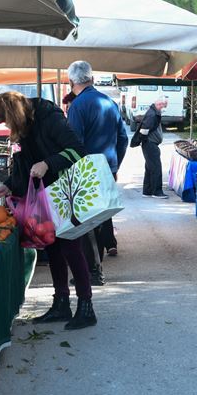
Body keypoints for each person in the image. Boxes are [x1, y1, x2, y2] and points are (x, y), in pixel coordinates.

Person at [0, 92, 96, 330]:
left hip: (66, 191)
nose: (7, 127)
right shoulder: (26, 127)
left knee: (70, 245)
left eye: (7, 122)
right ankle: (61, 303)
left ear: (16, 115)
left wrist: (48, 164)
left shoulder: (50, 117)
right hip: (47, 195)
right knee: (53, 245)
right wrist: (7, 185)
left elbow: (78, 151)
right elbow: (25, 163)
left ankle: (86, 306)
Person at [66, 61, 128, 283]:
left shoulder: (77, 107)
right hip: (107, 169)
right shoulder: (110, 102)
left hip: (87, 171)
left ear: (71, 81)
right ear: (91, 79)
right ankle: (95, 269)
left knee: (86, 223)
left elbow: (74, 145)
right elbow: (123, 138)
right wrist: (115, 166)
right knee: (101, 220)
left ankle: (93, 272)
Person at [139, 97, 167, 198]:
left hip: (149, 144)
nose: (163, 109)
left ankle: (147, 191)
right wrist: (145, 140)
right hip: (150, 144)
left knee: (149, 167)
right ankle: (157, 192)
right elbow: (144, 129)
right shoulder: (152, 114)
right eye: (163, 107)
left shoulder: (153, 112)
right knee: (156, 167)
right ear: (159, 105)